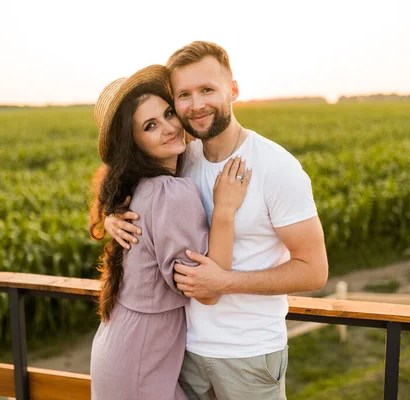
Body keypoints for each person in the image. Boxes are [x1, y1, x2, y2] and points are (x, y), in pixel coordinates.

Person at [104, 41, 329, 399]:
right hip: (185, 353)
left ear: (234, 90)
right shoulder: (181, 156)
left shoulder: (276, 167)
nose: (196, 105)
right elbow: (121, 172)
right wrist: (111, 216)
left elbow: (314, 270)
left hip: (249, 355)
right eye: (184, 95)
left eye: (207, 90)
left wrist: (225, 282)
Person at [88, 64, 251, 400]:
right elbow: (206, 290)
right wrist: (224, 211)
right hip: (138, 364)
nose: (168, 128)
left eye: (167, 114)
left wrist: (108, 218)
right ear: (134, 144)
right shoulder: (169, 192)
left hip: (117, 348)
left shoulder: (140, 186)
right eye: (150, 126)